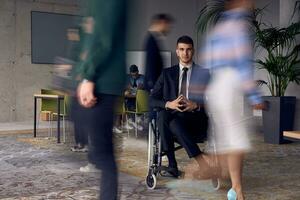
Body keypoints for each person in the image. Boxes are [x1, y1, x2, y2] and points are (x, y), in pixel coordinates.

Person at [191, 0, 265, 199]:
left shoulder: (218, 29)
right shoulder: (238, 27)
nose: (252, 4)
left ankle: (236, 188)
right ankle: (211, 169)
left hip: (216, 88)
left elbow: (207, 61)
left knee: (230, 141)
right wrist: (254, 95)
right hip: (231, 86)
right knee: (237, 142)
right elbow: (242, 64)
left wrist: (198, 94)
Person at [75, 0, 127, 199]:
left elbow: (104, 36)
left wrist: (89, 75)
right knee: (102, 152)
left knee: (103, 154)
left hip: (104, 81)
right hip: (102, 79)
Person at [150, 35, 209, 178]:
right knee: (165, 115)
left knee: (168, 120)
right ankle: (201, 163)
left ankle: (173, 166)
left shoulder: (204, 73)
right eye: (182, 49)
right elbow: (151, 99)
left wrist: (196, 105)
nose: (185, 53)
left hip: (195, 120)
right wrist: (169, 104)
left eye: (188, 49)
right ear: (177, 51)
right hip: (173, 118)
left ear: (193, 51)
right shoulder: (166, 74)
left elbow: (216, 100)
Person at [144, 14, 173, 91]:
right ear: (162, 23)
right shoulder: (152, 41)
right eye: (167, 25)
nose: (168, 28)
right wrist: (154, 87)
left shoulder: (154, 39)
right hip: (153, 87)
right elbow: (151, 65)